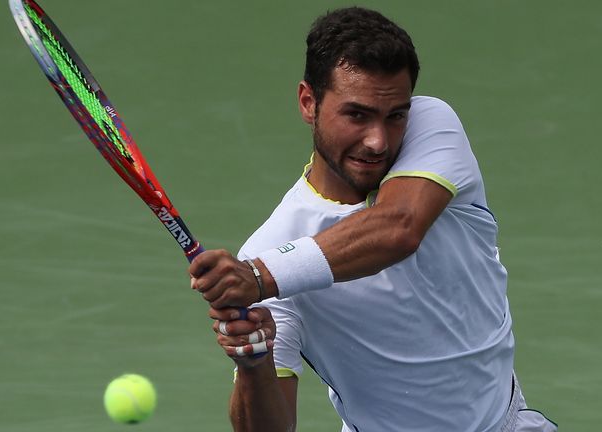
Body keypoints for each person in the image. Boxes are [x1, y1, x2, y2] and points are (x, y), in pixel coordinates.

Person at [189, 7, 556, 432]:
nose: (378, 140)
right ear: (309, 102)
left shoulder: (432, 125)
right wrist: (254, 363)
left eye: (394, 115)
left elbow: (397, 227)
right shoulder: (274, 245)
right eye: (357, 115)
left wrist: (260, 276)